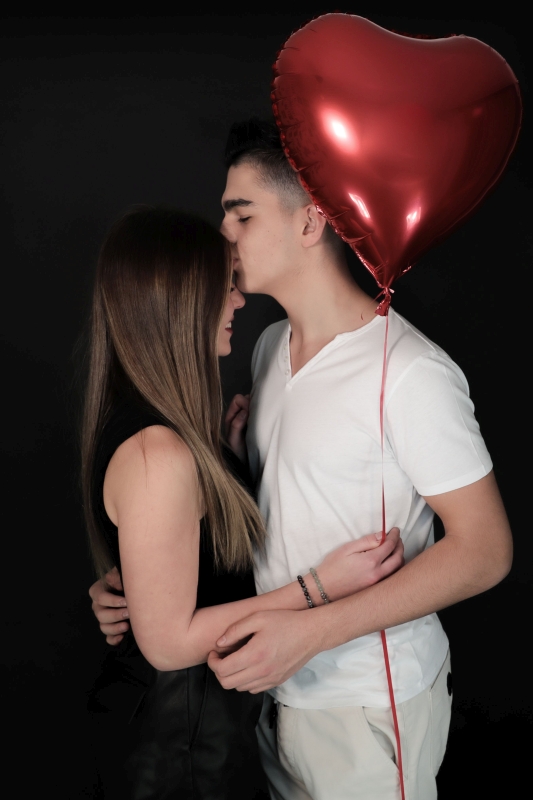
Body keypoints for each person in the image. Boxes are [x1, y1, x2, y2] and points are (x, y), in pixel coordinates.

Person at [90, 120, 512, 799]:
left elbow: (485, 551)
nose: (223, 237)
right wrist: (144, 585)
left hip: (364, 707)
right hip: (268, 697)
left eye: (242, 215)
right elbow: (282, 509)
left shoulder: (407, 372)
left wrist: (310, 630)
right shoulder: (266, 351)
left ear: (312, 220)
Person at [83, 204, 405, 799]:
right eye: (222, 288)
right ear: (178, 305)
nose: (237, 301)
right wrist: (319, 587)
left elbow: (197, 559)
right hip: (177, 748)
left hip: (195, 730)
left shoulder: (169, 430)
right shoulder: (160, 454)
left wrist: (232, 461)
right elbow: (167, 641)